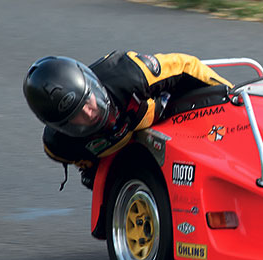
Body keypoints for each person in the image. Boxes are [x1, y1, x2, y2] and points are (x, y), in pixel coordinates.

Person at [23, 51, 232, 188]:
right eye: (75, 116)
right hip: (135, 154)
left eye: (87, 101)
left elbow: (188, 66)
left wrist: (231, 98)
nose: (89, 113)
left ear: (92, 85)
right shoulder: (59, 147)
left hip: (178, 110)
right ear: (61, 127)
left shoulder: (130, 74)